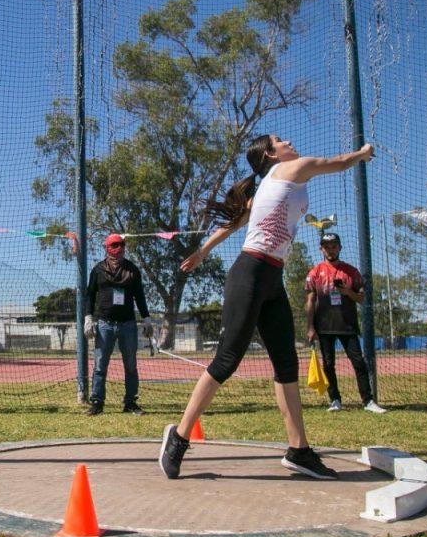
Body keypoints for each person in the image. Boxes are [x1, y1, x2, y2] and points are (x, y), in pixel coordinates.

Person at [159, 135, 374, 480]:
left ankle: (299, 450)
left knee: (287, 364)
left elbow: (235, 221)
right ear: (272, 154)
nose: (288, 141)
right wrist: (362, 154)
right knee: (227, 360)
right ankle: (179, 437)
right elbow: (337, 162)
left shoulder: (268, 186)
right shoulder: (293, 168)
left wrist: (203, 251)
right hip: (250, 273)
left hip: (273, 278)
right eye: (279, 140)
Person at [305, 233, 386, 414]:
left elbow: (361, 299)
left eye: (334, 246)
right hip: (324, 326)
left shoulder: (351, 272)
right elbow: (310, 301)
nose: (330, 250)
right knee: (328, 364)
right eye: (327, 247)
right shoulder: (314, 272)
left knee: (359, 362)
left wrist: (348, 292)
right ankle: (335, 400)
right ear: (321, 249)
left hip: (347, 325)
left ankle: (368, 401)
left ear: (340, 248)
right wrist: (310, 327)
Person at [83, 234, 153, 416]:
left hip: (128, 324)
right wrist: (88, 318)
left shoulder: (133, 270)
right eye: (114, 245)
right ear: (107, 248)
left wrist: (146, 318)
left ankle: (130, 403)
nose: (119, 248)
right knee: (100, 365)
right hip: (104, 324)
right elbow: (90, 295)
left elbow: (140, 296)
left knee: (131, 365)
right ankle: (97, 403)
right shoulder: (98, 270)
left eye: (122, 245)